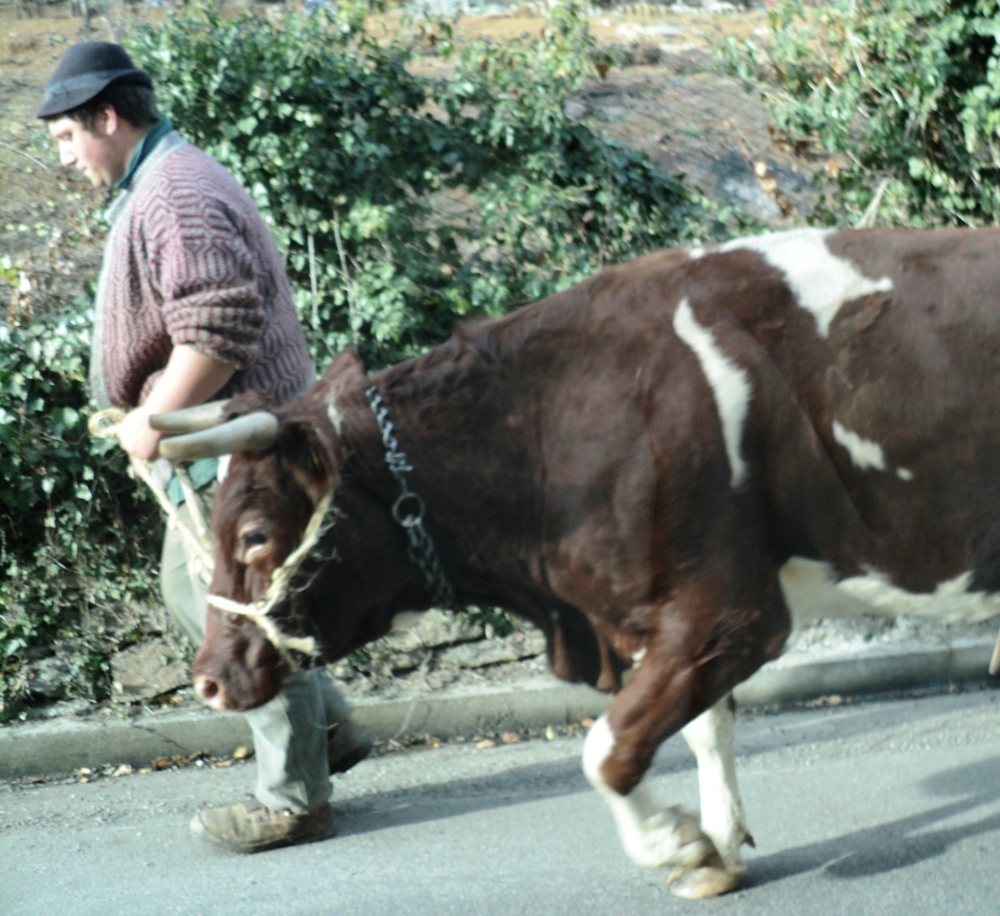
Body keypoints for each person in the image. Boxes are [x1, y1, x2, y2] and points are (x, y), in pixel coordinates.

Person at [39, 41, 372, 853]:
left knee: (238, 613)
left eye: (65, 137)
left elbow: (220, 324)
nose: (64, 155)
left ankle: (294, 797)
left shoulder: (174, 192)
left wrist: (154, 420)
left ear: (107, 118)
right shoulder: (163, 182)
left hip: (239, 445)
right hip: (222, 443)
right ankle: (327, 731)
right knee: (198, 597)